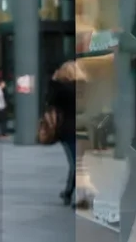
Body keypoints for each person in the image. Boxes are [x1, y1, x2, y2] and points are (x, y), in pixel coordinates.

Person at [47, 61, 80, 206]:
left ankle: (71, 194)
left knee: (75, 164)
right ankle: (70, 193)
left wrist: (53, 81)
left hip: (68, 131)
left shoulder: (61, 90)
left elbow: (50, 101)